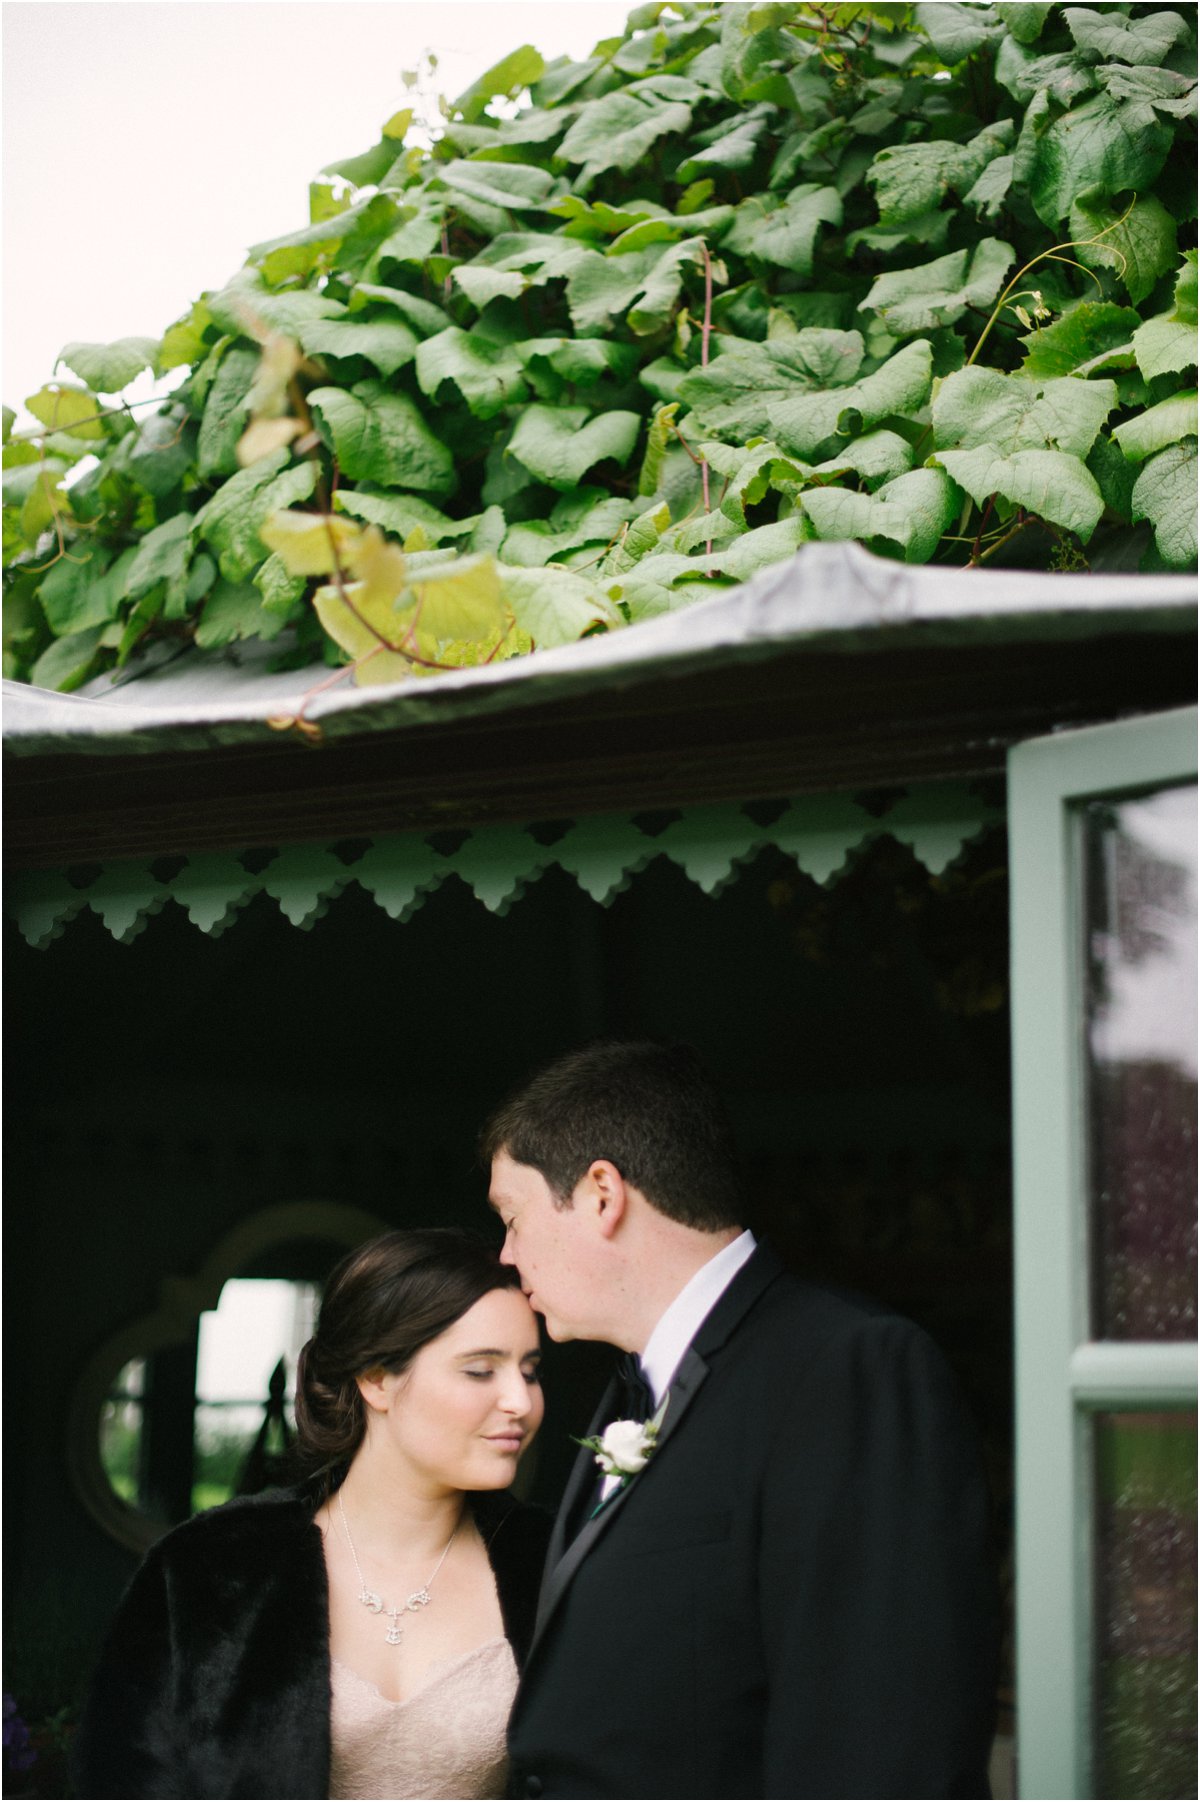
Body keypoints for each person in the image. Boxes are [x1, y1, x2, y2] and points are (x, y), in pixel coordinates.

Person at [484, 1040, 999, 1801]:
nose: (505, 1253)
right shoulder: (629, 1390)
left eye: (514, 1216)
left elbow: (883, 1741)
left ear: (601, 1194)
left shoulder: (848, 1370)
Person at [76, 1229, 552, 1800]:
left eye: (529, 1370)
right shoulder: (209, 1568)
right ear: (376, 1377)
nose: (520, 1403)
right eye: (480, 1370)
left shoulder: (553, 1565)